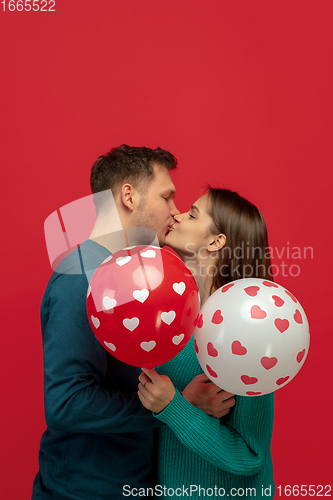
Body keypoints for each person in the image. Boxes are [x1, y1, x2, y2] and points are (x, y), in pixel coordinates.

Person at [32, 147, 234, 500]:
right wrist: (170, 409)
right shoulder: (79, 279)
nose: (175, 212)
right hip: (83, 491)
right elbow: (66, 403)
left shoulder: (136, 274)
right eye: (167, 197)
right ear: (129, 195)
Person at [138, 188, 275, 499]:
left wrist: (175, 407)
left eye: (193, 213)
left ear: (216, 242)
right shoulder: (171, 316)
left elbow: (250, 455)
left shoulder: (249, 330)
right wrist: (178, 405)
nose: (176, 214)